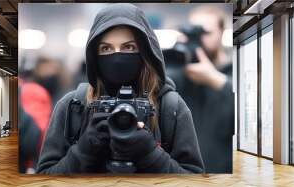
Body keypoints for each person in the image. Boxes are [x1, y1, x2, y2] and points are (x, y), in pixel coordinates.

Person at [37, 3, 204, 174]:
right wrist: (83, 151)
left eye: (129, 47)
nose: (117, 57)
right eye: (106, 48)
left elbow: (194, 182)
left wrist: (151, 154)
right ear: (94, 56)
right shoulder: (73, 106)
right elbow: (43, 178)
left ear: (145, 52)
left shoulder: (171, 107)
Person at [168, 6, 234, 173]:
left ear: (221, 32)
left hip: (221, 176)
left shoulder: (235, 72)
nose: (198, 40)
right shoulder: (179, 74)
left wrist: (215, 79)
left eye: (205, 33)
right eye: (193, 34)